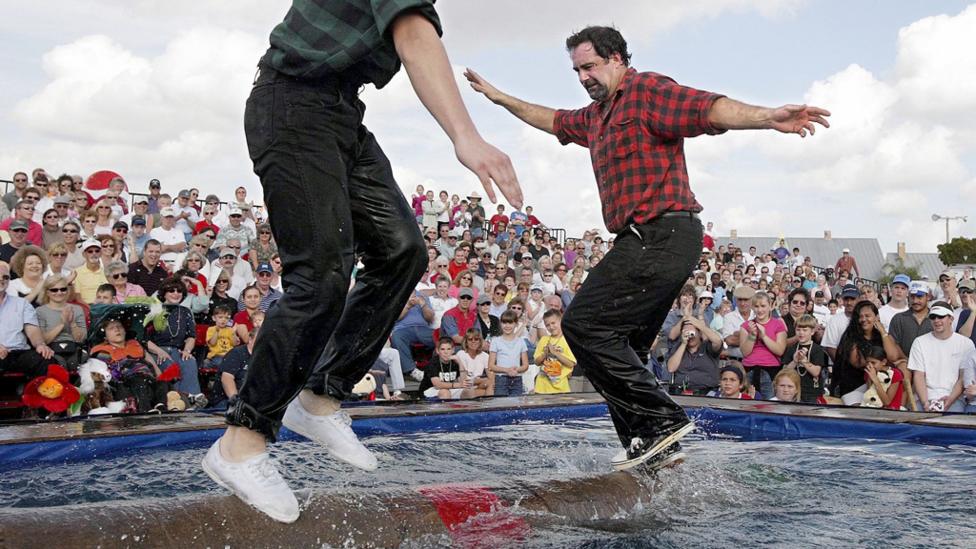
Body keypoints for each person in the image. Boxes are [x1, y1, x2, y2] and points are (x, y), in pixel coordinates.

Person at [204, 1, 523, 524]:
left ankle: (321, 397)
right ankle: (240, 443)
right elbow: (415, 36)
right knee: (321, 277)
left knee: (402, 251)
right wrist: (466, 136)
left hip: (342, 113)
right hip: (292, 103)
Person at [478, 30, 819, 468]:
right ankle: (651, 448)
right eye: (578, 70)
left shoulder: (645, 91)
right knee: (626, 350)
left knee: (583, 326)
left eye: (590, 66)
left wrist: (767, 116)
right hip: (650, 240)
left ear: (617, 59)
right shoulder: (597, 117)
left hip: (663, 234)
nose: (583, 77)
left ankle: (661, 421)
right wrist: (502, 98)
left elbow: (707, 108)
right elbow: (554, 119)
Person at [908, 301, 973, 412]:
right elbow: (919, 376)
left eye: (941, 316)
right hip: (925, 398)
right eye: (933, 317)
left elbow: (963, 378)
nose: (936, 320)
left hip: (954, 399)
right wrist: (925, 403)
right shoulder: (919, 342)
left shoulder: (966, 343)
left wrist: (950, 400)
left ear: (951, 319)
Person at [0, 261, 55, 377]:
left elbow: (32, 330)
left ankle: (32, 393)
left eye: (5, 277)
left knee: (46, 361)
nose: (2, 280)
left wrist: (40, 344)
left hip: (19, 352)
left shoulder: (22, 304)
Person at [739, 292, 787, 399]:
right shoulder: (746, 325)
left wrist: (764, 336)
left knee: (769, 404)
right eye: (756, 306)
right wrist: (752, 335)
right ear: (752, 307)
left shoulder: (778, 324)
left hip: (771, 370)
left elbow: (780, 350)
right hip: (749, 368)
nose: (759, 310)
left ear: (770, 306)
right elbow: (745, 352)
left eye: (763, 306)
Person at [666, 316, 722, 396]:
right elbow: (671, 368)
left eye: (692, 332)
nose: (690, 336)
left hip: (707, 392)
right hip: (681, 392)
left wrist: (700, 325)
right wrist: (683, 344)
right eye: (686, 332)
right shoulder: (678, 347)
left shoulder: (708, 346)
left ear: (699, 333)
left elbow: (717, 341)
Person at [780, 314, 828, 403]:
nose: (801, 333)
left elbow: (816, 372)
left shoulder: (817, 349)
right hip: (794, 392)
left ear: (812, 332)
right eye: (798, 330)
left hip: (812, 393)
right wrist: (794, 361)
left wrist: (804, 361)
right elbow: (784, 372)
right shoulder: (792, 348)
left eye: (805, 330)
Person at [533, 309, 577, 394]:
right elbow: (536, 362)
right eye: (547, 325)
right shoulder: (544, 339)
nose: (551, 327)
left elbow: (571, 363)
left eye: (553, 323)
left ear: (561, 320)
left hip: (560, 387)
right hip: (542, 386)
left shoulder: (568, 340)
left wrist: (555, 353)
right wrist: (545, 354)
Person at [489, 309, 529, 396]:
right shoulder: (495, 341)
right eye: (504, 323)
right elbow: (491, 365)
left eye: (510, 323)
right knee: (501, 405)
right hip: (501, 379)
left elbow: (525, 365)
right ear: (500, 323)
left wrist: (516, 370)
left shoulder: (521, 342)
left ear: (516, 324)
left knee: (516, 406)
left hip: (517, 378)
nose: (507, 326)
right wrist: (507, 370)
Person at [454, 328, 492, 397]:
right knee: (484, 391)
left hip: (478, 386)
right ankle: (488, 402)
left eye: (476, 339)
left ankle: (488, 404)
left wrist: (479, 381)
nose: (473, 341)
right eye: (470, 339)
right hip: (463, 388)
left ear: (480, 341)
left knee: (491, 383)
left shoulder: (485, 355)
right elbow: (465, 380)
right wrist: (481, 380)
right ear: (466, 341)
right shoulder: (461, 354)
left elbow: (491, 377)